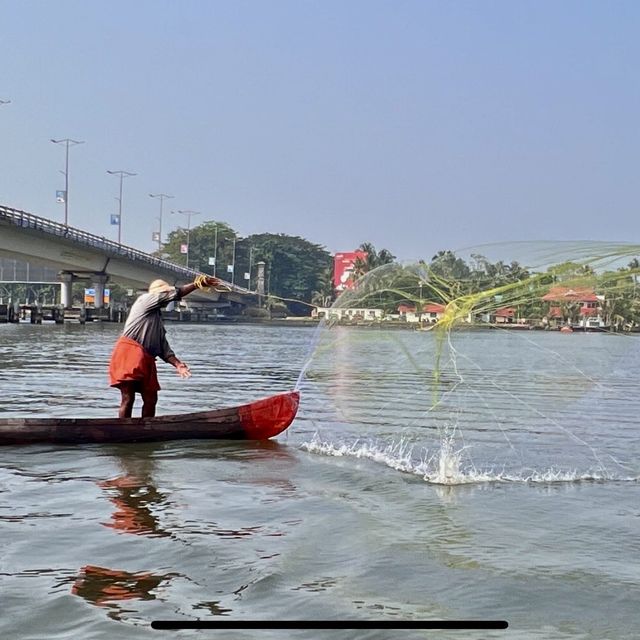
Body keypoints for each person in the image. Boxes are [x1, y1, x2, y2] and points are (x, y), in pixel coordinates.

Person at [108, 275, 220, 418]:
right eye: (166, 294)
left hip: (146, 358)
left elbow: (163, 349)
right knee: (128, 397)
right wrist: (197, 284)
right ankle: (123, 429)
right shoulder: (145, 300)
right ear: (159, 294)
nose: (168, 298)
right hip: (129, 352)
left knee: (151, 399)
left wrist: (179, 365)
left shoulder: (157, 320)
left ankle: (147, 428)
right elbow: (178, 293)